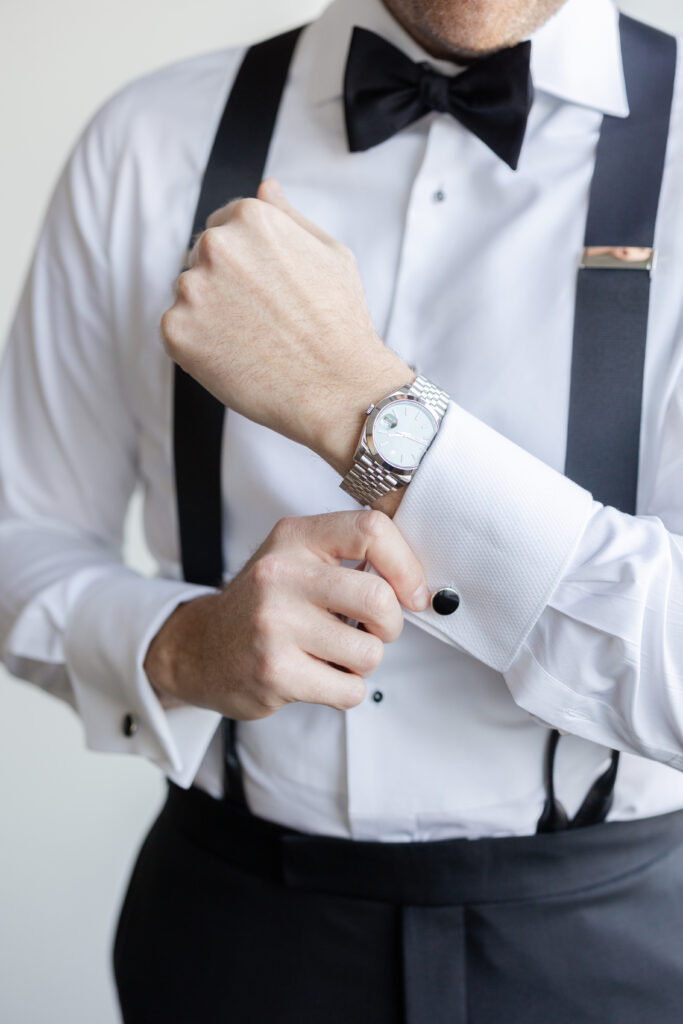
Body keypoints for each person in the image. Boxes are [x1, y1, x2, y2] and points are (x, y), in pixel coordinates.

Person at [2, 0, 683, 1020]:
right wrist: (182, 648)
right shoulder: (146, 141)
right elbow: (21, 535)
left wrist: (364, 411)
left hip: (615, 949)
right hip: (228, 936)